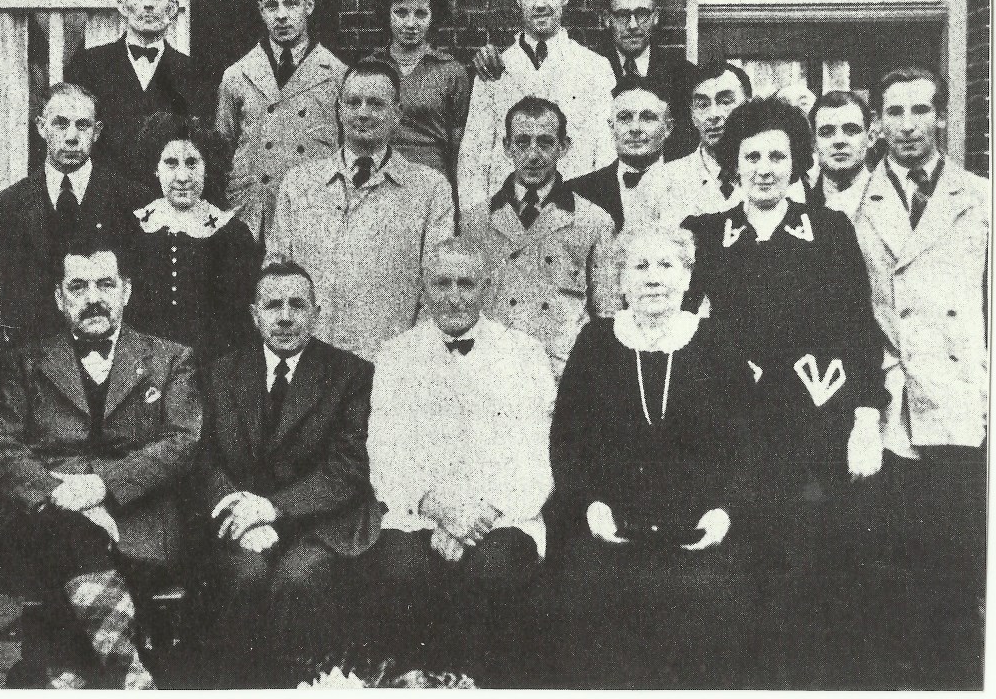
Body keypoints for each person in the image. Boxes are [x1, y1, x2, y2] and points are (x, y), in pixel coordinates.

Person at [680, 97, 886, 686]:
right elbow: (682, 330)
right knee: (735, 562)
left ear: (797, 163)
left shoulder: (830, 230)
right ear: (734, 164)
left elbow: (859, 329)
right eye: (752, 157)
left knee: (809, 560)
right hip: (733, 427)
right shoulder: (705, 233)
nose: (765, 168)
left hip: (814, 424)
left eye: (777, 156)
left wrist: (865, 419)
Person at [0, 235, 201, 689]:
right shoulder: (24, 363)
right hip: (50, 512)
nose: (93, 298)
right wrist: (60, 494)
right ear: (59, 297)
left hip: (137, 518)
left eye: (105, 284)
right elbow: (0, 446)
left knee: (68, 546)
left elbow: (182, 441)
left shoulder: (171, 359)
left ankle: (67, 674)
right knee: (66, 532)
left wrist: (101, 487)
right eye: (78, 287)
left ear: (126, 291)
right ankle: (129, 675)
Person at [546, 227, 751, 687]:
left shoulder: (716, 342)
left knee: (711, 601)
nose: (653, 278)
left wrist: (725, 511)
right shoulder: (597, 341)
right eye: (640, 266)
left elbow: (746, 444)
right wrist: (589, 504)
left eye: (666, 265)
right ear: (621, 281)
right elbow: (567, 439)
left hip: (699, 528)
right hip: (611, 526)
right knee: (588, 595)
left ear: (687, 277)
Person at [362, 238, 554, 685]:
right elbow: (385, 451)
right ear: (424, 287)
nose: (453, 296)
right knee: (401, 568)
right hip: (420, 513)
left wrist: (479, 516)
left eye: (466, 284)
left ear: (486, 287)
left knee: (494, 568)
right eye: (441, 283)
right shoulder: (395, 356)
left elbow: (537, 454)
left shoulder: (524, 354)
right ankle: (414, 682)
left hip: (503, 515)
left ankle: (479, 684)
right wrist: (438, 510)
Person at [852, 67, 988, 686]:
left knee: (958, 568)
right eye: (895, 112)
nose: (907, 126)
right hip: (892, 402)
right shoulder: (854, 202)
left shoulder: (981, 198)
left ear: (941, 117)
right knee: (891, 567)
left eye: (920, 111)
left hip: (961, 400)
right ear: (879, 122)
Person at [192, 259, 380, 687]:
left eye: (297, 305)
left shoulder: (351, 374)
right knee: (245, 576)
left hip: (319, 526)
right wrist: (240, 515)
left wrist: (272, 509)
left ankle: (298, 686)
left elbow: (348, 468)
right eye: (273, 305)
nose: (285, 317)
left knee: (299, 577)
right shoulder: (219, 373)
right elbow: (202, 459)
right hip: (240, 523)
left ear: (316, 313)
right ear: (254, 314)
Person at [267, 59, 453, 361]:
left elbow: (436, 287)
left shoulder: (430, 190)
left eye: (376, 104)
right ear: (339, 110)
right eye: (353, 102)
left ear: (397, 114)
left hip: (386, 364)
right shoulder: (298, 184)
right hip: (311, 363)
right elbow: (276, 275)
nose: (363, 113)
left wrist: (409, 361)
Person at [461, 96, 618, 381]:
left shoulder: (593, 221)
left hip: (561, 373)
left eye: (545, 143)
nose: (533, 155)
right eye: (522, 142)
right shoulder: (475, 221)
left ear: (564, 147)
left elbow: (607, 316)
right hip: (493, 371)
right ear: (507, 147)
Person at [457, 0, 616, 215]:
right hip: (506, 214)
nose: (540, 4)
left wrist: (592, 219)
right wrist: (477, 221)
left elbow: (606, 155)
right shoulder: (494, 68)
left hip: (572, 213)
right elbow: (474, 157)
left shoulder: (595, 68)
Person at [0, 83, 152, 347]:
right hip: (36, 357)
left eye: (83, 125)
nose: (71, 137)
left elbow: (142, 293)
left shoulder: (132, 200)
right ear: (41, 127)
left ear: (97, 132)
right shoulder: (8, 205)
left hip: (113, 354)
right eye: (60, 124)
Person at [216, 0, 348, 240]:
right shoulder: (237, 75)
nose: (282, 15)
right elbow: (222, 148)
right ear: (261, 11)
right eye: (272, 6)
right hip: (254, 217)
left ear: (309, 6)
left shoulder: (337, 75)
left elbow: (349, 150)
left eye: (291, 3)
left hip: (314, 214)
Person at [125, 113, 259, 364]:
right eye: (171, 163)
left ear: (207, 168)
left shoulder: (232, 234)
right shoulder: (133, 228)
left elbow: (240, 324)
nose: (182, 177)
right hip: (145, 366)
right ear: (155, 168)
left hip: (213, 366)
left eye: (192, 163)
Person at [65, 0, 202, 186]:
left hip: (167, 198)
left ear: (172, 8)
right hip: (105, 196)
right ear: (123, 6)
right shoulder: (88, 64)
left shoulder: (192, 72)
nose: (148, 4)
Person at [639, 61, 803, 230]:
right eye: (702, 105)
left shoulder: (780, 176)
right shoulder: (660, 181)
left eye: (725, 102)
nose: (713, 115)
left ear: (747, 105)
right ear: (692, 114)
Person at [363, 0, 471, 198]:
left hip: (432, 184)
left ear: (433, 17)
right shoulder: (369, 68)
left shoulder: (451, 72)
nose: (411, 23)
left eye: (421, 13)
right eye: (401, 13)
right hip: (379, 182)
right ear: (387, 15)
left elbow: (460, 149)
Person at [598, 0, 698, 160]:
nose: (633, 25)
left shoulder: (684, 75)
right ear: (607, 19)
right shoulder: (590, 71)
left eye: (642, 14)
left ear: (655, 17)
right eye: (622, 15)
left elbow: (688, 143)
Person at [566, 75, 673, 231]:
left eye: (647, 118)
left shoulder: (690, 185)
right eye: (625, 118)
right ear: (611, 127)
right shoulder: (576, 191)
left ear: (668, 128)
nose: (635, 128)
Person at [807, 90, 874, 215]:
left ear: (870, 138)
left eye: (851, 130)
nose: (839, 141)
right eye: (826, 132)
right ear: (813, 143)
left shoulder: (894, 199)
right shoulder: (801, 206)